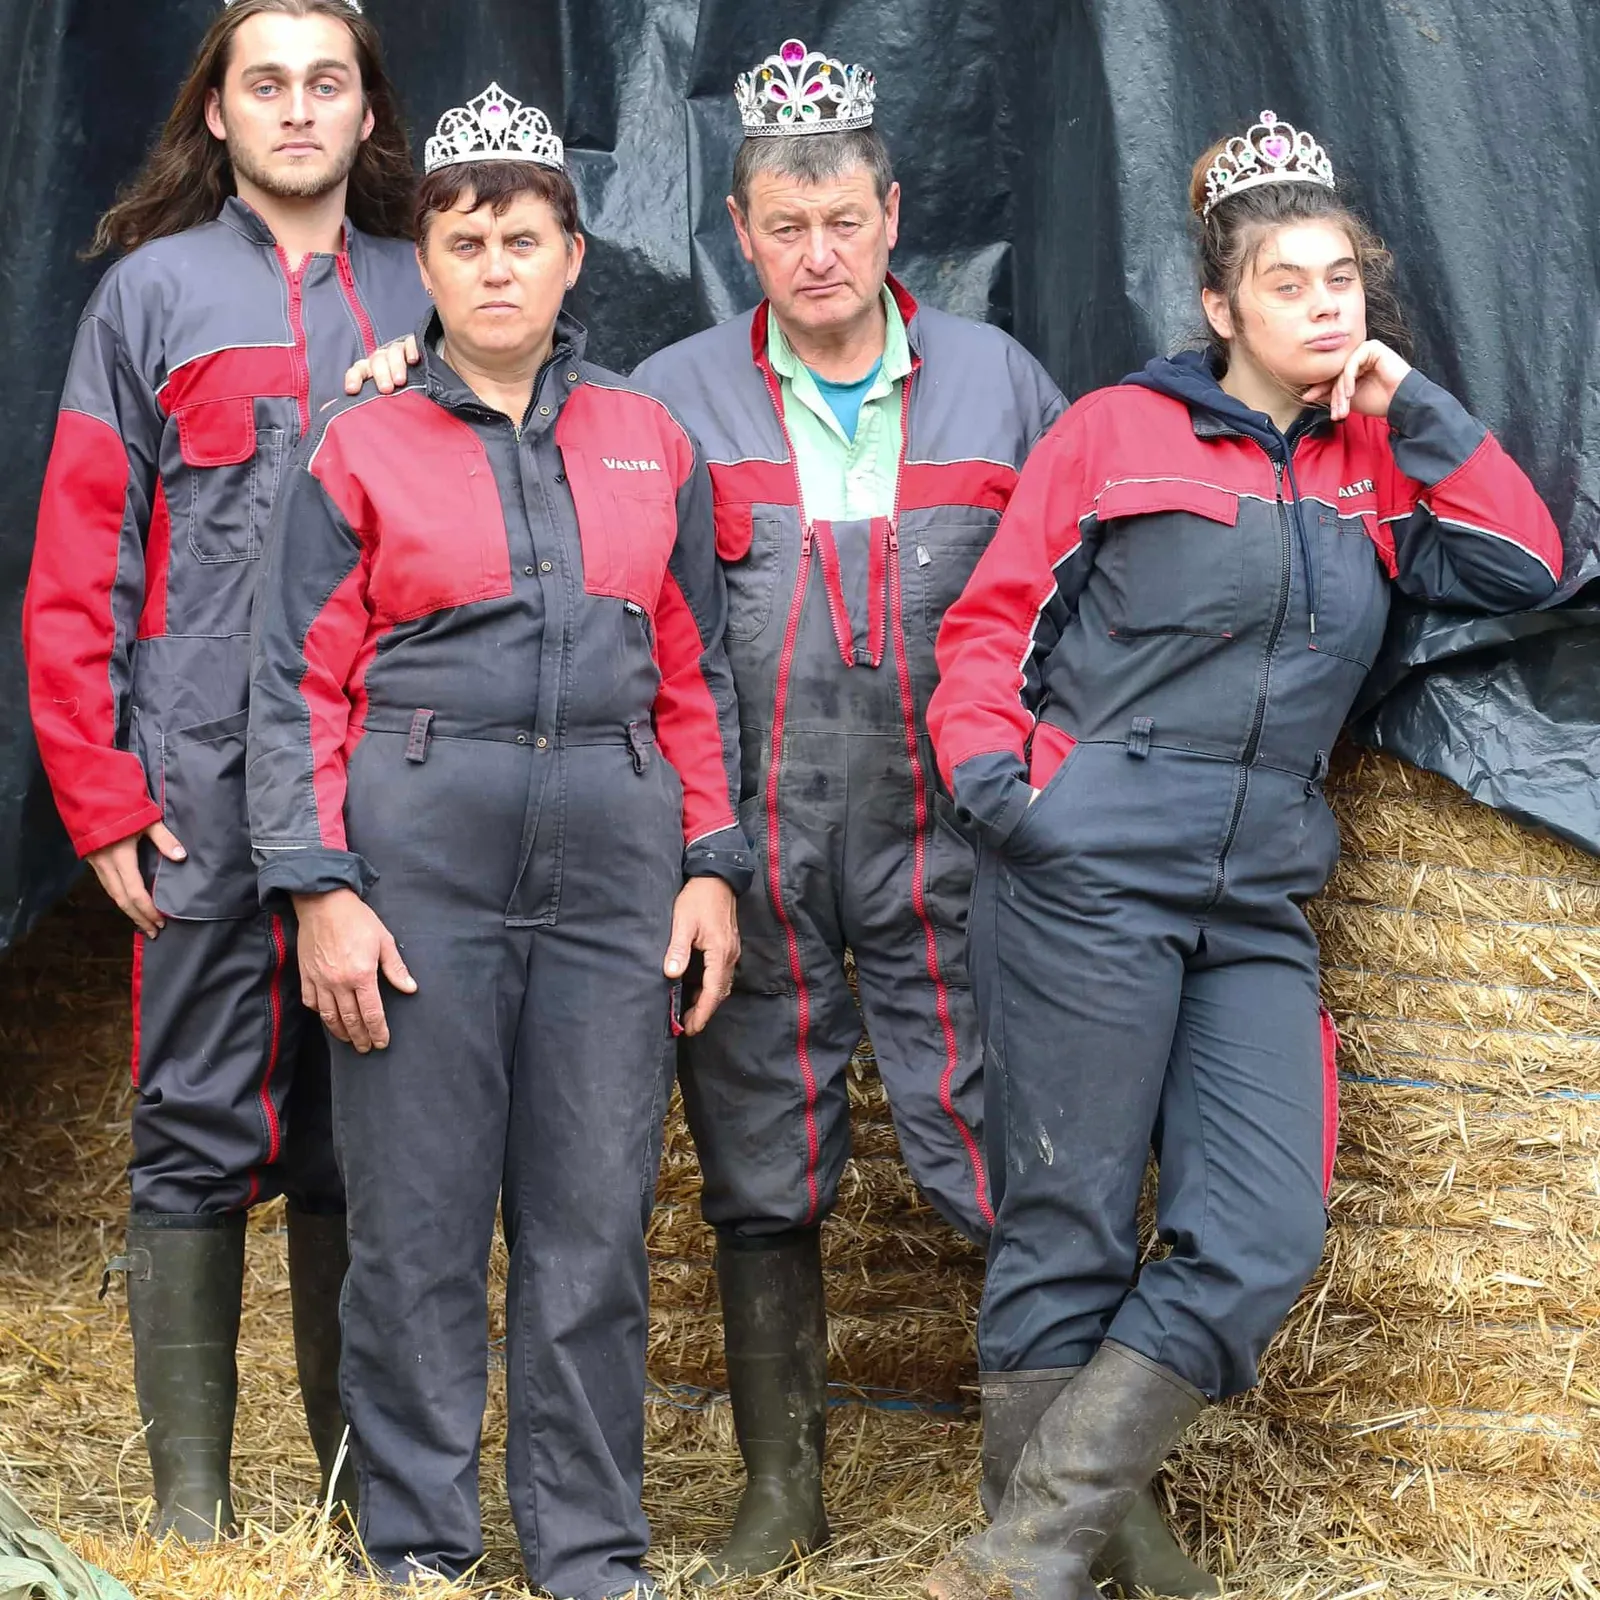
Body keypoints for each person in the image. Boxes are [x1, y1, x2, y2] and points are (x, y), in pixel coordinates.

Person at [922, 112, 1563, 1600]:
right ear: (1220, 305)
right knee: (1068, 1217)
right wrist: (1019, 800)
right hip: (1087, 870)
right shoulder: (1115, 432)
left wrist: (1420, 411)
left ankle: (1020, 1552)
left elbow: (1527, 565)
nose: (1325, 304)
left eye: (1343, 279)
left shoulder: (1376, 463)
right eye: (1288, 282)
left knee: (1266, 1228)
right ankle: (1044, 1571)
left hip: (1259, 889)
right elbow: (987, 630)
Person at [246, 83, 750, 1600]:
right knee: (416, 1227)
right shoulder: (361, 446)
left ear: (574, 254)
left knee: (593, 1229)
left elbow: (692, 671)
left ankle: (592, 1554)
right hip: (422, 866)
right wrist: (320, 889)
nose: (496, 269)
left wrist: (713, 861)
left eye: (523, 240)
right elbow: (293, 684)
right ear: (428, 264)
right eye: (464, 244)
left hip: (613, 864)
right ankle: (420, 1549)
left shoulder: (648, 440)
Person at [22, 0, 424, 1541]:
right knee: (193, 1120)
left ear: (370, 113)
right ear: (218, 114)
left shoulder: (434, 282)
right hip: (193, 782)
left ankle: (352, 1498)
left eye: (329, 82)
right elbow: (77, 568)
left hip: (385, 781)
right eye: (268, 84)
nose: (300, 109)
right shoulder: (151, 297)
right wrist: (99, 792)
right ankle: (191, 1519)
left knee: (360, 1124)